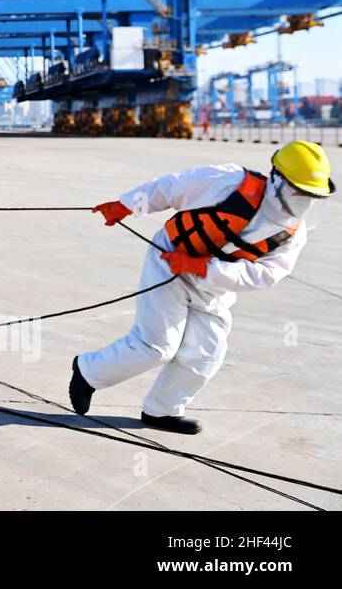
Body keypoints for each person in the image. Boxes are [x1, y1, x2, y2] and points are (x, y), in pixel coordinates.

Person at [70, 141, 332, 434]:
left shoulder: (293, 235)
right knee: (156, 346)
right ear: (277, 179)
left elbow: (266, 275)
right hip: (168, 261)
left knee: (207, 351)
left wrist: (204, 268)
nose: (304, 201)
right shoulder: (230, 181)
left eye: (312, 196)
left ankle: (162, 410)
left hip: (213, 285)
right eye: (299, 191)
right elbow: (172, 187)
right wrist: (127, 205)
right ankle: (88, 372)